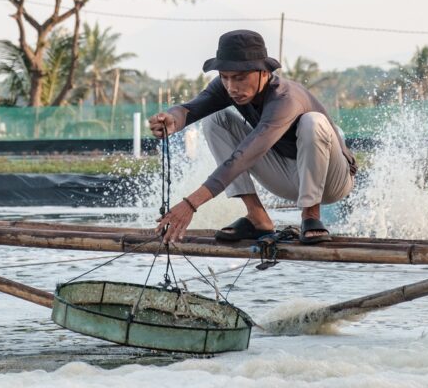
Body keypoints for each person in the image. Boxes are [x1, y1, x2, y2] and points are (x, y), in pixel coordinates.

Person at [150, 30, 356, 245]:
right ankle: (257, 217)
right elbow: (190, 109)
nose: (231, 87)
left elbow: (247, 154)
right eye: (225, 77)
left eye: (239, 78)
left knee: (312, 122)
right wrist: (172, 119)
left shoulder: (285, 98)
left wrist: (191, 203)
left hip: (332, 182)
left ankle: (311, 216)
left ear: (264, 73)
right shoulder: (226, 87)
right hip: (287, 177)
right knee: (214, 119)